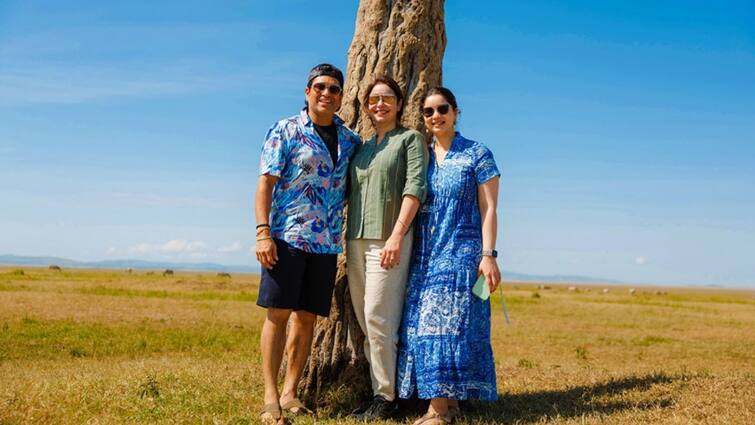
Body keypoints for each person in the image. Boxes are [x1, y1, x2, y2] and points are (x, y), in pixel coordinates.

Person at [255, 63, 360, 425]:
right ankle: (270, 398)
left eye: (333, 88)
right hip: (286, 238)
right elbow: (265, 184)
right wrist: (262, 232)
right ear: (307, 91)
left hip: (327, 243)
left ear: (341, 96)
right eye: (320, 87)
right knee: (278, 315)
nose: (326, 93)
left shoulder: (350, 140)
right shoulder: (285, 130)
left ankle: (290, 392)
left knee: (306, 319)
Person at [396, 87, 502, 425]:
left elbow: (489, 208)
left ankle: (437, 411)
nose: (435, 116)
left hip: (461, 251)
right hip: (424, 256)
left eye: (442, 108)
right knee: (421, 329)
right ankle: (452, 404)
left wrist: (488, 255)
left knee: (441, 327)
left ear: (455, 112)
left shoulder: (477, 154)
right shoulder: (422, 158)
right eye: (428, 112)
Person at [346, 76, 428, 420]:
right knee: (366, 321)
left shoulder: (409, 140)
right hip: (355, 241)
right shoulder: (362, 147)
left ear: (398, 103)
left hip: (389, 240)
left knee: (380, 318)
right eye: (373, 99)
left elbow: (416, 188)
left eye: (387, 98)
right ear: (366, 106)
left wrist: (396, 236)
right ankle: (378, 391)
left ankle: (388, 399)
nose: (379, 104)